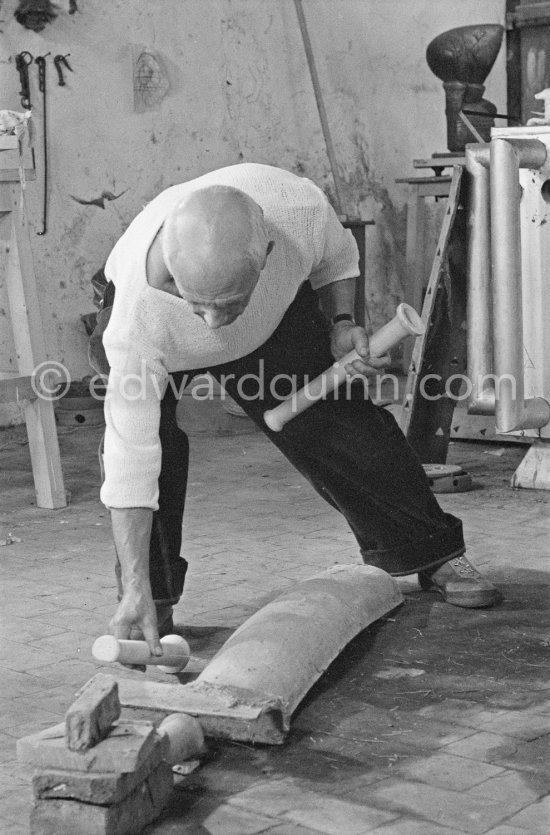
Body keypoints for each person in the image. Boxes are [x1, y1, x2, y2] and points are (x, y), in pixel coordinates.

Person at [89, 162, 500, 659]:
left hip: (270, 320)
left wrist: (343, 322)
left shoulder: (299, 212)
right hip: (165, 338)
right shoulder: (139, 321)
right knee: (155, 449)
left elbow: (338, 258)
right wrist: (134, 586)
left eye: (228, 304)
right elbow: (129, 461)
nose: (215, 325)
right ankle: (147, 599)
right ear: (174, 275)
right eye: (199, 304)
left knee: (335, 416)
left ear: (266, 255)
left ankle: (430, 551)